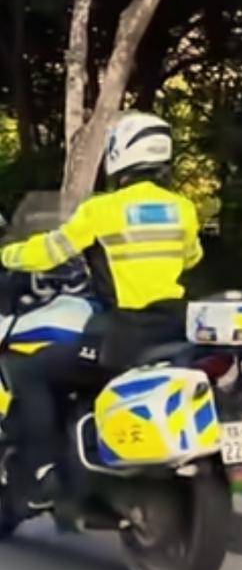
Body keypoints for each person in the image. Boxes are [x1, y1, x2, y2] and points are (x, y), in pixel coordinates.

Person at [0, 112, 202, 516]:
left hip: (127, 329)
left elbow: (52, 251)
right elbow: (192, 256)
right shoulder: (183, 209)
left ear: (120, 153)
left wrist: (7, 254)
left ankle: (41, 469)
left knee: (33, 370)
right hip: (176, 324)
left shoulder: (105, 209)